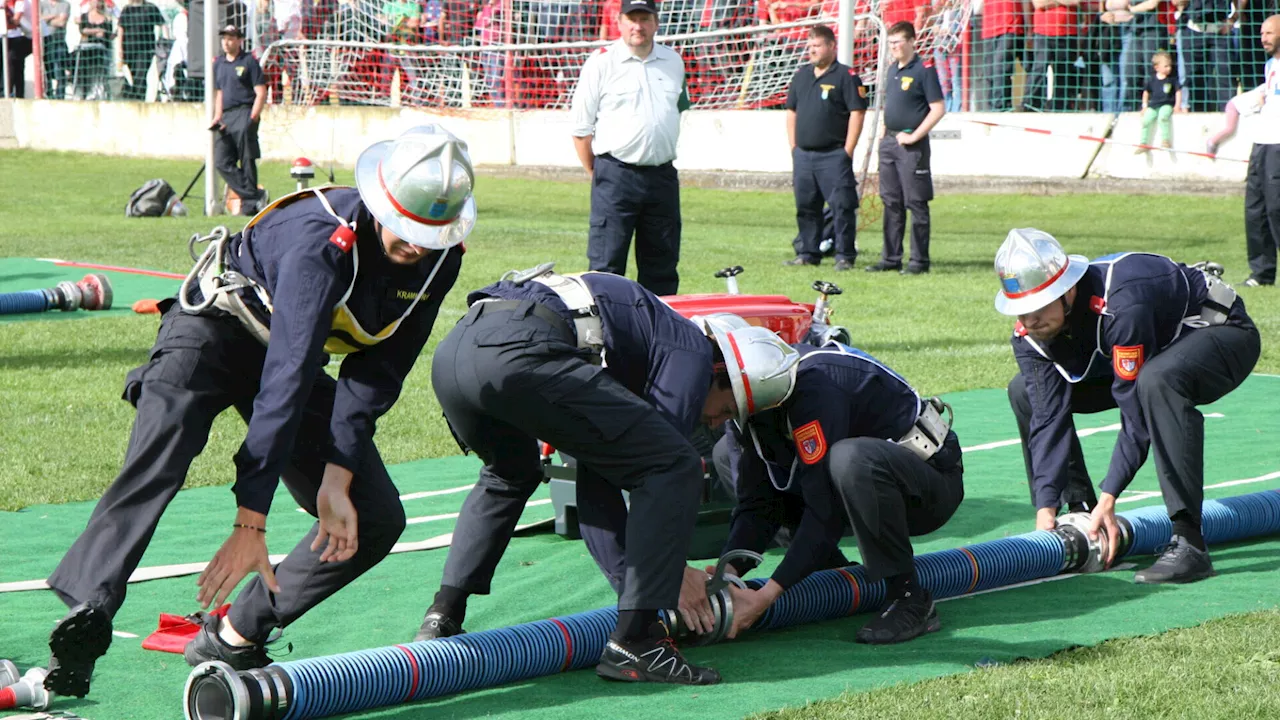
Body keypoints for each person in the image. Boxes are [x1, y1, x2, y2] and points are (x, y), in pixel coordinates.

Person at [40, 125, 473, 698]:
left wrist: (337, 479)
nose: (418, 246)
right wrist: (252, 521)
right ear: (378, 201)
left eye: (432, 233)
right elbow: (285, 381)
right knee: (162, 451)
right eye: (410, 228)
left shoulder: (441, 258)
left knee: (374, 516)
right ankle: (90, 605)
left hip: (287, 355)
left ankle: (235, 633)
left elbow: (376, 375)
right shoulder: (321, 241)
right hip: (212, 331)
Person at [413, 268, 760, 686]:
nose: (715, 422)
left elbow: (597, 475)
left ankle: (443, 613)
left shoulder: (641, 344)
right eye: (726, 409)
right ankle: (637, 642)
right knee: (676, 463)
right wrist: (667, 579)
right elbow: (654, 469)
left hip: (455, 352)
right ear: (720, 369)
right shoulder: (691, 349)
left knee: (510, 473)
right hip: (519, 348)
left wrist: (636, 585)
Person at [996, 228, 1259, 584]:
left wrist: (1111, 495)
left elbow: (1135, 417)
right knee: (1024, 392)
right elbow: (1046, 417)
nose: (1030, 322)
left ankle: (1189, 543)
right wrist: (1046, 509)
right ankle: (1081, 515)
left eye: (1039, 306)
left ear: (1067, 290)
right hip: (1156, 350)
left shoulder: (1122, 306)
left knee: (1157, 381)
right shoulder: (1029, 333)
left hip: (1221, 333)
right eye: (1021, 311)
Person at [705, 337, 965, 644]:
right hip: (859, 492)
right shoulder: (749, 399)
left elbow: (823, 509)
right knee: (724, 451)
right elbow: (758, 503)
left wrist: (767, 595)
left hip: (928, 488)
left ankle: (910, 597)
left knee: (850, 459)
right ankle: (833, 570)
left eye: (722, 411)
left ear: (734, 384)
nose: (713, 423)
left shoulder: (815, 389)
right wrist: (727, 572)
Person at [570, 0, 690, 296]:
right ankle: (608, 337)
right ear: (620, 22)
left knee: (662, 265)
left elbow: (679, 110)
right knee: (606, 267)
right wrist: (600, 173)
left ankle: (661, 335)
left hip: (661, 177)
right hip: (616, 175)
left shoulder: (673, 61)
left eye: (645, 19)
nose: (639, 26)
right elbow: (581, 130)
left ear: (656, 22)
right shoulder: (601, 62)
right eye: (632, 19)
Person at [783, 24, 866, 271]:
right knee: (806, 206)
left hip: (833, 155)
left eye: (817, 46)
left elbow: (857, 113)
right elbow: (791, 111)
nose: (812, 51)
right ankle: (808, 252)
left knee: (842, 205)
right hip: (804, 155)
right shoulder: (801, 75)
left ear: (831, 46)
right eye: (810, 46)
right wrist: (794, 148)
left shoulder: (846, 76)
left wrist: (847, 150)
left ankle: (844, 255)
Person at [867, 21, 945, 275]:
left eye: (899, 41)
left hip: (911, 146)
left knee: (916, 202)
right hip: (889, 143)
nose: (894, 47)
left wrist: (915, 136)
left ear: (912, 41)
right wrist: (883, 133)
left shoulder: (924, 70)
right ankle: (890, 258)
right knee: (891, 202)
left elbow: (938, 108)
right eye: (891, 43)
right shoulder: (892, 70)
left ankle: (919, 262)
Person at [210, 23, 268, 217]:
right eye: (224, 38)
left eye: (231, 38)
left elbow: (261, 91)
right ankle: (254, 195)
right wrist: (217, 116)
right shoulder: (218, 63)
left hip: (244, 112)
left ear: (239, 40)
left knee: (247, 159)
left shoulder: (249, 62)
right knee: (221, 161)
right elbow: (219, 92)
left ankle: (250, 204)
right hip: (226, 116)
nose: (227, 42)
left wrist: (253, 116)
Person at [1243, 14, 1280, 287]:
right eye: (1261, 33)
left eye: (1268, 33)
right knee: (1255, 209)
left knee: (1277, 207)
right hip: (1261, 142)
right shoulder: (1270, 66)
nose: (1262, 38)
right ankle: (1261, 273)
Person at [1022, 0, 1079, 113]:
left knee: (1064, 72)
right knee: (1039, 69)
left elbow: (1076, 1)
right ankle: (1030, 106)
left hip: (1068, 32)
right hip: (1043, 32)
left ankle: (1060, 107)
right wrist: (1063, 2)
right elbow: (1039, 3)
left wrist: (1051, 2)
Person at [118, 0, 166, 100]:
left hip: (145, 49)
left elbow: (162, 23)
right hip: (129, 49)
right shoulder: (127, 10)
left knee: (141, 73)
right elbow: (120, 29)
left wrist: (165, 41)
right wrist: (120, 48)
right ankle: (136, 98)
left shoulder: (150, 8)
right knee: (134, 75)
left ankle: (138, 98)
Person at [1137, 51, 1182, 151]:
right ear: (1157, 67)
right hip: (1153, 105)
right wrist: (1144, 106)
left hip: (1166, 104)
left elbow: (1178, 91)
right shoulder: (1151, 80)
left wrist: (1177, 105)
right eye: (1166, 66)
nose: (1169, 68)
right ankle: (1143, 143)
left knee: (1163, 117)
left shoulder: (1172, 79)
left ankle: (1165, 140)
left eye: (1169, 66)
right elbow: (1146, 92)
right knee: (1146, 121)